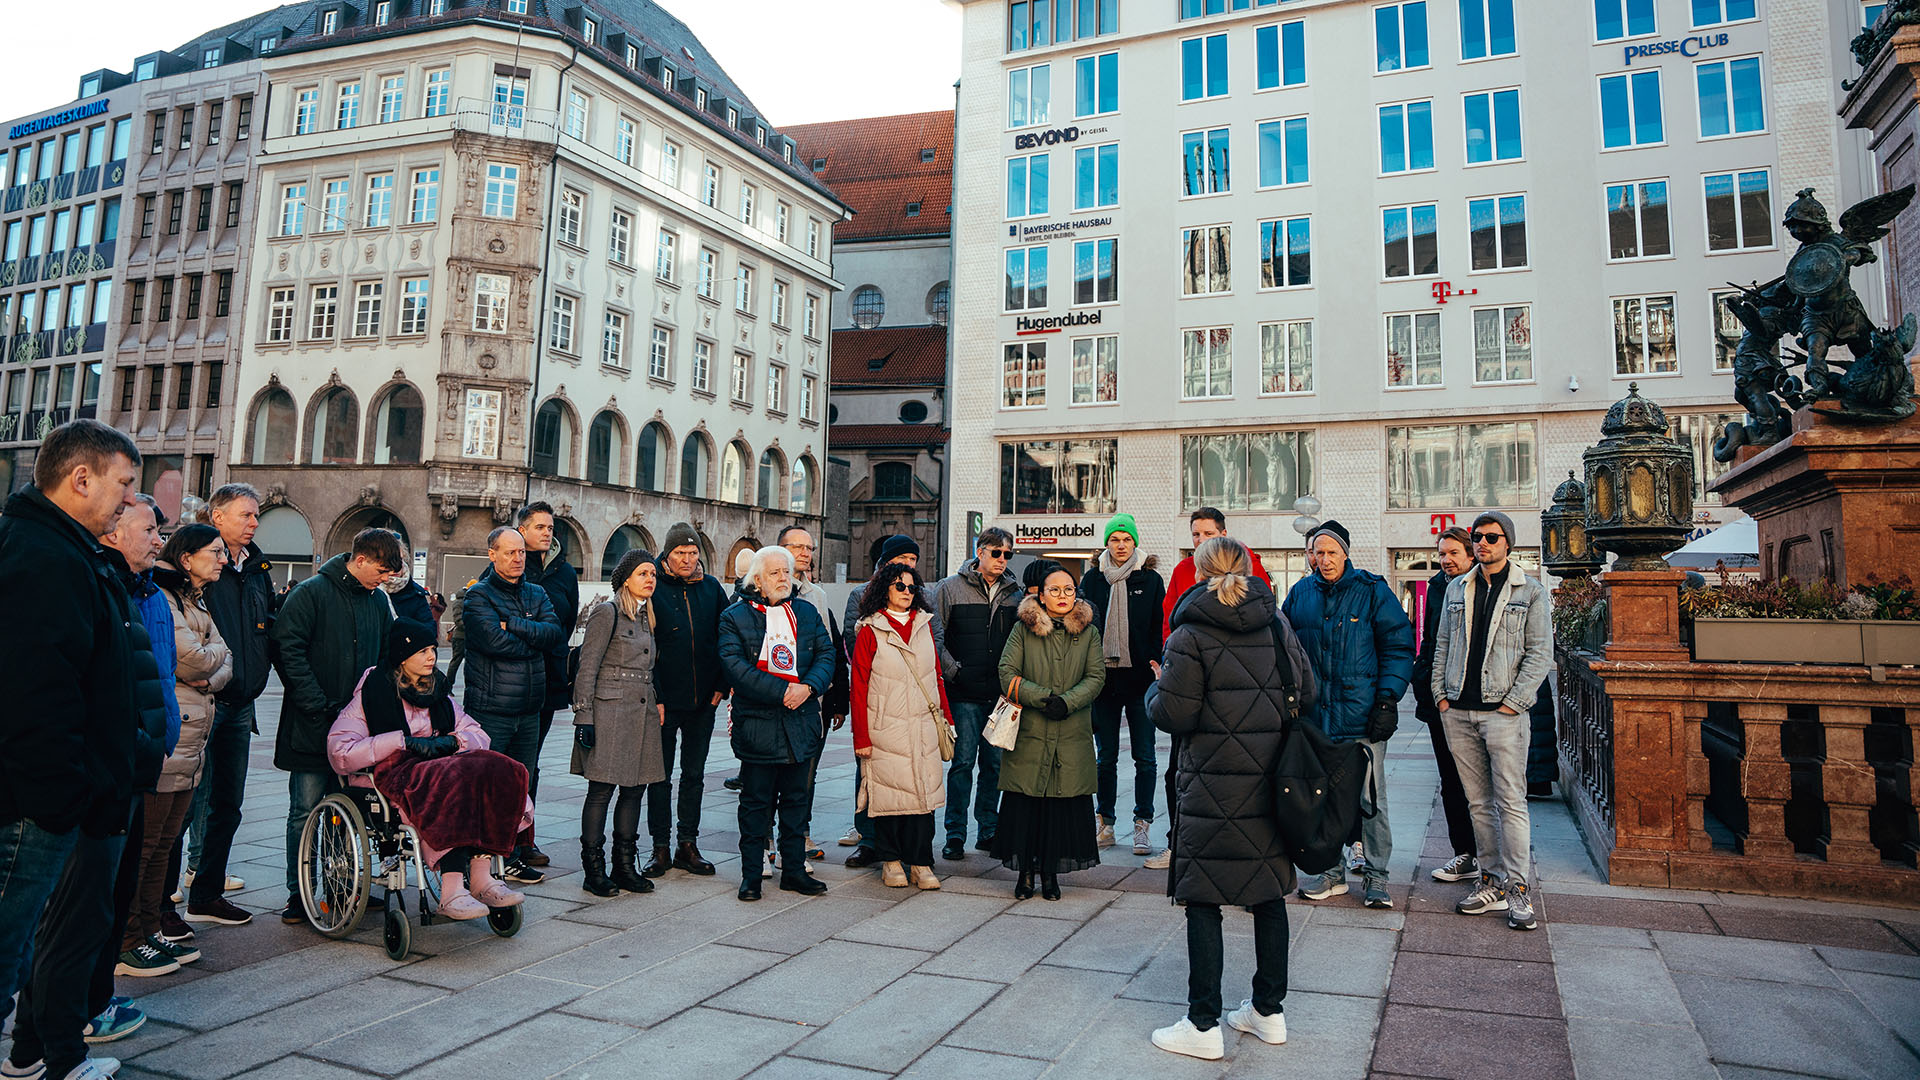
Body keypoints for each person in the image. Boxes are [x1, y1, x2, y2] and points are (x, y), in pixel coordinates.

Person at [0, 419, 145, 1080]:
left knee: (24, 943)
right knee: (5, 952)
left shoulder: (68, 551)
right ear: (80, 477)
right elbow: (34, 690)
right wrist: (63, 794)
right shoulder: (41, 555)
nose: (128, 500)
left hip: (59, 796)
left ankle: (31, 1060)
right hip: (35, 804)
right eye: (123, 484)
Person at [1145, 537, 1316, 1060]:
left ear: (1198, 573)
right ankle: (1269, 1012)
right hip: (1272, 781)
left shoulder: (1189, 632)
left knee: (1203, 896)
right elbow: (1306, 692)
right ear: (1246, 569)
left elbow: (1172, 713)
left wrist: (1157, 688)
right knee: (1268, 892)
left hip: (1213, 783)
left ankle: (1203, 1024)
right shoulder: (1276, 623)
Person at [327, 619, 531, 919]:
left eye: (433, 649)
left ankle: (481, 876)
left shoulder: (438, 690)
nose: (432, 657)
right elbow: (339, 751)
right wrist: (400, 742)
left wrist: (451, 742)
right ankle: (451, 889)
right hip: (393, 773)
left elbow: (477, 734)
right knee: (451, 780)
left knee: (500, 768)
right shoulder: (372, 693)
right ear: (402, 657)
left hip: (441, 767)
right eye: (422, 651)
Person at [270, 528, 402, 924]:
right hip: (312, 725)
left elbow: (383, 659)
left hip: (357, 731)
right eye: (381, 570)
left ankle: (346, 889)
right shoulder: (310, 593)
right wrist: (316, 704)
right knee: (306, 810)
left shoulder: (378, 601)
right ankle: (301, 894)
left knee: (354, 810)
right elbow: (287, 650)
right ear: (359, 559)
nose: (384, 579)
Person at [1431, 511, 1555, 932]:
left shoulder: (1531, 591)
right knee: (1478, 803)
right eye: (1478, 537)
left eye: (1492, 537)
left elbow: (1540, 654)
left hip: (1502, 712)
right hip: (1459, 711)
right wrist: (1441, 697)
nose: (1482, 543)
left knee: (1511, 802)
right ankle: (1490, 881)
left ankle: (1518, 888)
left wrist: (1515, 703)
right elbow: (1442, 645)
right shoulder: (1455, 589)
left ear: (1508, 544)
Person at [1281, 520, 1414, 910]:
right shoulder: (1300, 594)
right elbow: (1287, 650)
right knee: (1322, 800)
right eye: (1317, 552)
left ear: (1346, 553)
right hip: (1317, 721)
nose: (1323, 560)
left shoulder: (1372, 591)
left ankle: (1377, 877)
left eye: (1331, 552)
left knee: (1371, 800)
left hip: (1361, 718)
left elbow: (1398, 646)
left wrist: (1388, 700)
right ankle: (1331, 871)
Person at [121, 525, 231, 977]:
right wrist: (210, 665)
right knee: (146, 846)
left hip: (192, 741)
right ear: (186, 557)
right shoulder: (163, 597)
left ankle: (150, 929)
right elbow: (197, 659)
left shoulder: (195, 600)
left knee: (165, 844)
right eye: (215, 551)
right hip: (170, 736)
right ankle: (128, 939)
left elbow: (227, 658)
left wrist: (211, 668)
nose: (223, 558)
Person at [180, 483, 275, 926]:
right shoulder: (199, 563)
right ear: (217, 516)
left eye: (256, 515)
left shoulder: (256, 567)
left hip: (240, 704)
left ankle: (207, 895)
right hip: (201, 700)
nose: (254, 522)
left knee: (227, 804)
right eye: (246, 515)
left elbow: (266, 628)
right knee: (182, 805)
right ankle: (160, 905)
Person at [719, 546, 836, 901]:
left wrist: (809, 688)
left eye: (786, 572)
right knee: (756, 804)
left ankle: (795, 872)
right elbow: (734, 666)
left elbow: (827, 653)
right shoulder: (734, 616)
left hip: (800, 723)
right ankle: (751, 875)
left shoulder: (805, 612)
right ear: (757, 579)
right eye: (775, 573)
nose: (784, 578)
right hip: (758, 725)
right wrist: (782, 691)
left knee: (797, 802)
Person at [993, 562, 1105, 901]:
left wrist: (1067, 702)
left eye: (1068, 590)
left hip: (1071, 732)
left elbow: (1096, 677)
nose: (1061, 596)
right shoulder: (1023, 629)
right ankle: (1025, 872)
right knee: (1028, 803)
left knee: (1061, 807)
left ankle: (1051, 873)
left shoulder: (1088, 632)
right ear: (1040, 596)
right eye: (1054, 590)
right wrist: (1042, 698)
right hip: (1030, 729)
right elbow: (1006, 671)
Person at [461, 526, 565, 885]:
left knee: (521, 787)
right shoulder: (478, 597)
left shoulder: (537, 592)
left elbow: (554, 635)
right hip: (491, 709)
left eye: (522, 552)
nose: (518, 558)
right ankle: (476, 861)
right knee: (486, 788)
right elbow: (494, 642)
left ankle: (514, 856)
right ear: (492, 554)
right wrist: (531, 637)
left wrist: (516, 625)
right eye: (510, 552)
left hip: (530, 709)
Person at [840, 534, 946, 868]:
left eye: (914, 561)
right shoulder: (861, 596)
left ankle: (913, 851)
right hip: (884, 703)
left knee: (917, 777)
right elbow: (850, 641)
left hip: (916, 703)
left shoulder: (923, 598)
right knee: (875, 776)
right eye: (902, 559)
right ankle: (870, 840)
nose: (909, 569)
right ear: (885, 564)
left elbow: (936, 641)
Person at [571, 550, 666, 897]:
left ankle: (624, 866)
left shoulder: (646, 618)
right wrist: (584, 715)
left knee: (635, 788)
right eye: (643, 573)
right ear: (626, 578)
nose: (650, 579)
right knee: (601, 790)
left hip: (641, 714)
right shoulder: (606, 612)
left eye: (653, 574)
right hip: (609, 712)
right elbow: (588, 666)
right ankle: (593, 870)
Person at [930, 527, 1020, 861]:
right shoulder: (948, 588)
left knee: (994, 765)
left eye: (1007, 554)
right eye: (996, 553)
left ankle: (988, 830)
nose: (1001, 560)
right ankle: (954, 834)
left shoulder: (1016, 593)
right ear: (979, 552)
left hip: (1001, 697)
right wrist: (954, 670)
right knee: (962, 763)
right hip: (964, 694)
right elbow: (934, 636)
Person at [645, 523, 730, 878]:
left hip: (703, 702)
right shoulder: (653, 588)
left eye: (693, 553)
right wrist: (657, 696)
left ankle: (687, 844)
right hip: (665, 702)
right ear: (667, 554)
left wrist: (721, 686)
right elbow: (646, 648)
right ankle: (660, 847)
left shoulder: (710, 588)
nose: (687, 559)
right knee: (660, 776)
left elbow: (728, 636)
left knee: (694, 774)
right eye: (680, 553)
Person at [1079, 513, 1166, 856]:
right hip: (1104, 679)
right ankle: (1106, 822)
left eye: (1126, 539)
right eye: (1114, 539)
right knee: (1107, 757)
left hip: (1141, 679)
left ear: (1134, 542)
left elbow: (1159, 624)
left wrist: (1158, 662)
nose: (1120, 545)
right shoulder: (1093, 580)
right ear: (1107, 543)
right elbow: (1083, 626)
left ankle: (1142, 823)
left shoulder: (1151, 579)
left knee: (1145, 756)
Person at [1411, 527, 1480, 885]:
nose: (1446, 560)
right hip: (1443, 701)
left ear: (1471, 554)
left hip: (1482, 702)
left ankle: (1495, 862)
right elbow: (1430, 641)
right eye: (1442, 554)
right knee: (1451, 781)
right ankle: (1464, 854)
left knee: (1485, 785)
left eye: (1453, 553)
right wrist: (1427, 689)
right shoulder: (1438, 587)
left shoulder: (1484, 585)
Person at [515, 502, 579, 869]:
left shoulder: (564, 572)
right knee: (507, 764)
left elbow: (564, 624)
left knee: (531, 764)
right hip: (508, 680)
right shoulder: (510, 567)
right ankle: (500, 839)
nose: (546, 532)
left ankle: (526, 839)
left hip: (547, 678)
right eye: (539, 526)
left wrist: (544, 639)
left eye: (550, 527)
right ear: (522, 530)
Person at [780, 526, 846, 873]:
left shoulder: (817, 596)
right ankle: (764, 840)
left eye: (809, 548)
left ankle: (799, 833)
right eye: (797, 547)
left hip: (811, 700)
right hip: (771, 701)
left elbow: (829, 649)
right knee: (766, 776)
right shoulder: (754, 589)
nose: (805, 553)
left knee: (807, 773)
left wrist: (832, 698)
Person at [1161, 508, 1270, 639]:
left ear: (1223, 534)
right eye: (1196, 534)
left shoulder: (1251, 566)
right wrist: (1169, 650)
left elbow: (1264, 610)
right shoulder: (1182, 569)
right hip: (1192, 646)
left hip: (1243, 645)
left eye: (1208, 533)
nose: (1201, 540)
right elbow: (1169, 616)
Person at [444, 581, 475, 685]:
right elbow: (458, 620)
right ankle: (448, 686)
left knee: (470, 664)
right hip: (461, 637)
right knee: (456, 662)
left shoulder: (470, 600)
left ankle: (469, 686)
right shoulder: (460, 602)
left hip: (469, 637)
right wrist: (472, 627)